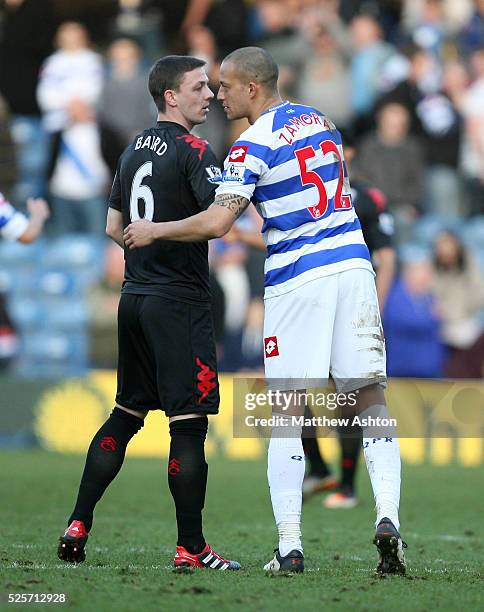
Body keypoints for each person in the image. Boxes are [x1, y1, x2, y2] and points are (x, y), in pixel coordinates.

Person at [124, 47, 407, 575]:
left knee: (285, 409)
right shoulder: (323, 123)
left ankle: (290, 545)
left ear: (252, 88)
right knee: (371, 400)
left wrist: (155, 230)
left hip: (299, 280)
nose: (217, 94)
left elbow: (216, 224)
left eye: (225, 85)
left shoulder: (246, 147)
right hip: (353, 267)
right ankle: (388, 519)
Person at [57, 55, 240, 571]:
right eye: (199, 87)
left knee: (125, 414)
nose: (209, 94)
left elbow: (115, 226)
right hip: (178, 304)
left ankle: (77, 521)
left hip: (134, 299)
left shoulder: (133, 147)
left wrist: (146, 246)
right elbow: (216, 221)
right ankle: (191, 547)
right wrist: (166, 235)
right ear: (171, 97)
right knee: (188, 425)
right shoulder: (196, 151)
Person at [302, 130, 396, 509]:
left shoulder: (367, 197)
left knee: (350, 394)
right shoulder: (311, 193)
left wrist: (377, 309)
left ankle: (345, 482)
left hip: (355, 302)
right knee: (290, 385)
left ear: (349, 152)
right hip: (315, 302)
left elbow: (386, 258)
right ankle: (322, 469)